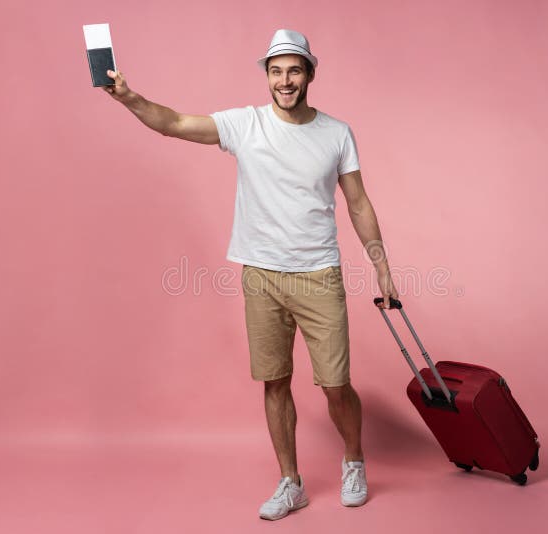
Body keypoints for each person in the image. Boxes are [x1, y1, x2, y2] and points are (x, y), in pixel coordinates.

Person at [101, 28, 399, 520]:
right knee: (275, 382)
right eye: (276, 71)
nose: (285, 80)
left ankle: (353, 461)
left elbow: (359, 203)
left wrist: (382, 267)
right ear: (266, 75)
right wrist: (129, 99)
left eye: (294, 70)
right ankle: (291, 483)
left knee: (335, 384)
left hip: (318, 273)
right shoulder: (246, 124)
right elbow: (173, 122)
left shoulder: (337, 133)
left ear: (310, 74)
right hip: (261, 276)